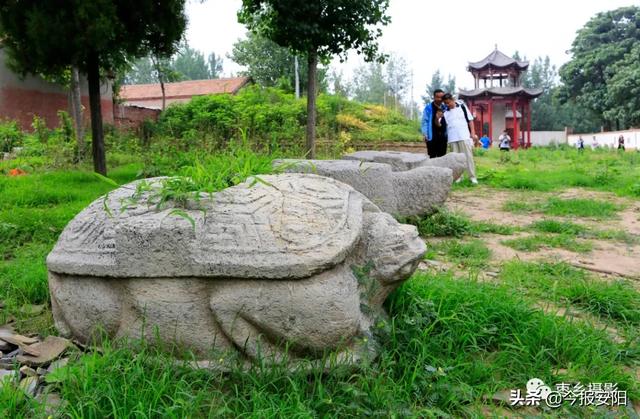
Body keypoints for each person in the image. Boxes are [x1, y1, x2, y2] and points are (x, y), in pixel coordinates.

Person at [442, 93, 478, 184]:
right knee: (455, 160)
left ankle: (472, 177)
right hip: (452, 138)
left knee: (468, 157)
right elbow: (441, 125)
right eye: (445, 103)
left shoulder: (462, 107)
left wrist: (472, 133)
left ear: (453, 100)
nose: (447, 105)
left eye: (448, 102)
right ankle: (458, 177)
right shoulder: (445, 112)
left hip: (464, 136)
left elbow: (470, 120)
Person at [421, 89, 447, 158]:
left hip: (443, 137)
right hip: (431, 136)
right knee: (432, 156)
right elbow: (424, 121)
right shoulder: (428, 108)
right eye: (437, 97)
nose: (439, 99)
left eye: (441, 97)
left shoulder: (445, 107)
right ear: (434, 97)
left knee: (442, 157)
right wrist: (425, 134)